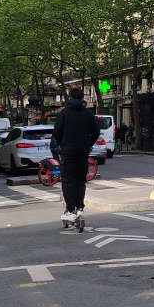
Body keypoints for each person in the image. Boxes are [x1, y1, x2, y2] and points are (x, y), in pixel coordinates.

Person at [51, 87, 99, 225]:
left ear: (70, 97)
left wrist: (62, 144)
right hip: (83, 152)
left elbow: (56, 133)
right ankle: (80, 208)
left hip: (68, 152)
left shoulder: (64, 113)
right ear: (82, 97)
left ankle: (70, 210)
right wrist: (88, 144)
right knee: (80, 181)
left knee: (68, 181)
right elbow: (96, 131)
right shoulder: (88, 114)